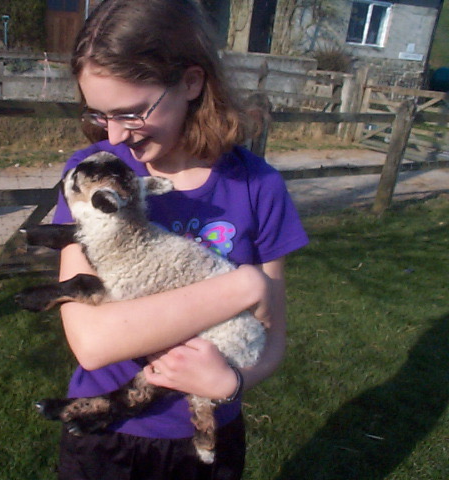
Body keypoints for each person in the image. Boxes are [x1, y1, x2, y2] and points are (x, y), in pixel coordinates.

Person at [50, 1, 309, 478]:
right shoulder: (93, 176)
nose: (113, 135)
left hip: (208, 436)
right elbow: (93, 340)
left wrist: (232, 382)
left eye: (130, 112)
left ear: (191, 82)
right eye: (99, 114)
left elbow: (270, 339)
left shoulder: (259, 188)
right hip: (104, 439)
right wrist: (240, 287)